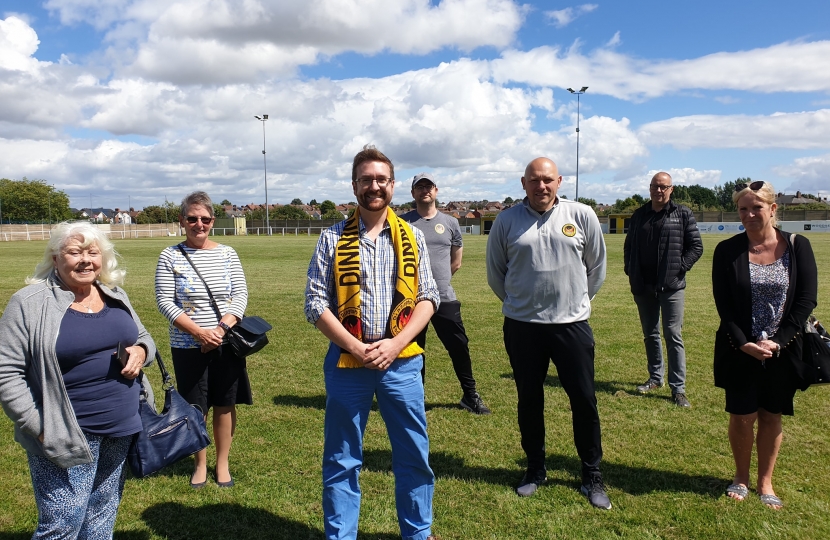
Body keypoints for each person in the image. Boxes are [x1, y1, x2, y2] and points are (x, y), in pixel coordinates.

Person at [305, 145, 441, 540]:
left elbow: (428, 298)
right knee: (342, 458)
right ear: (354, 186)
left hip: (401, 361)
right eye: (366, 179)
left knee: (413, 455)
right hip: (349, 362)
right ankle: (341, 535)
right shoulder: (332, 238)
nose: (374, 186)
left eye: (381, 179)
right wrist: (353, 345)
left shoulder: (412, 236)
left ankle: (417, 533)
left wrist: (396, 344)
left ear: (393, 185)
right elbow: (315, 303)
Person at [0, 221, 156, 538]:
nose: (85, 260)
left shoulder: (114, 294)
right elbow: (6, 371)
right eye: (75, 252)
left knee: (101, 513)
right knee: (62, 522)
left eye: (92, 252)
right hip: (65, 432)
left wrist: (141, 351)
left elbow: (143, 338)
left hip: (121, 425)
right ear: (56, 258)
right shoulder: (29, 303)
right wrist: (38, 426)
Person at [486, 157, 611, 509]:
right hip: (523, 328)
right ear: (523, 183)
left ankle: (591, 474)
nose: (541, 186)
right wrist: (521, 304)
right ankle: (534, 469)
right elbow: (497, 273)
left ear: (559, 181)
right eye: (534, 180)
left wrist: (575, 302)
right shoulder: (506, 220)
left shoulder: (581, 214)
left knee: (584, 400)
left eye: (547, 180)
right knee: (529, 400)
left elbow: (596, 267)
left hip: (571, 326)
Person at [712, 180, 817, 510]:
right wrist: (744, 343)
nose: (749, 214)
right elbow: (724, 304)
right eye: (743, 209)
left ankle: (765, 481)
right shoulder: (728, 250)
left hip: (781, 350)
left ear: (773, 209)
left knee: (771, 415)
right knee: (741, 416)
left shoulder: (797, 246)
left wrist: (777, 341)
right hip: (739, 348)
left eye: (756, 207)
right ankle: (741, 477)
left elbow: (805, 300)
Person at [155, 191, 251, 489]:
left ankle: (222, 464)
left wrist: (219, 331)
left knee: (225, 403)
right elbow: (164, 301)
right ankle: (200, 463)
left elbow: (240, 295)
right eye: (193, 218)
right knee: (195, 407)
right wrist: (198, 333)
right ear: (182, 220)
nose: (199, 224)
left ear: (212, 221)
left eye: (205, 219)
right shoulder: (169, 255)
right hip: (187, 346)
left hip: (226, 343)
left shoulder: (227, 253)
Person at [401, 172, 491, 415]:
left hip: (444, 297)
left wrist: (438, 282)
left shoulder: (450, 222)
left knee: (459, 346)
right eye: (419, 187)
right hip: (410, 300)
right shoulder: (402, 222)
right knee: (413, 351)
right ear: (413, 193)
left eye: (428, 186)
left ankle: (470, 396)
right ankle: (414, 398)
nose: (424, 191)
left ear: (436, 191)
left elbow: (456, 261)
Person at [623, 172, 703, 408]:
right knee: (650, 334)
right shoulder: (639, 215)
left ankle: (678, 389)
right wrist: (631, 269)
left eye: (663, 187)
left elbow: (696, 247)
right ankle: (655, 378)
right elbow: (629, 247)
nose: (659, 191)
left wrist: (680, 268)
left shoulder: (682, 213)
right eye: (655, 187)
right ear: (650, 189)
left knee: (672, 334)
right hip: (643, 286)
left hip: (671, 286)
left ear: (671, 189)